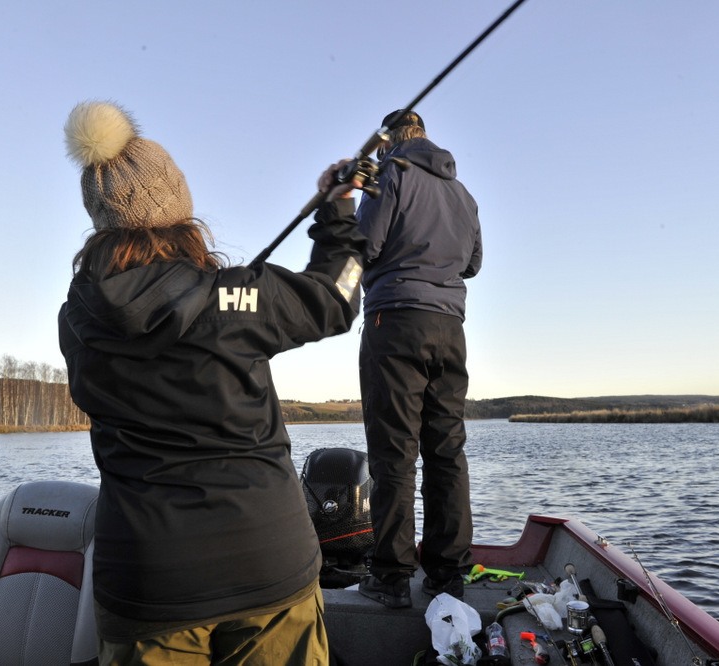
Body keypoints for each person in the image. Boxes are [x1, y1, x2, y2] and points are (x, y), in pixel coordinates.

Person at [58, 100, 365, 665]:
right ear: (178, 207)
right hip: (268, 562)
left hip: (146, 580)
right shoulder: (239, 295)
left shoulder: (75, 318)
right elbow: (340, 296)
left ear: (101, 219)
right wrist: (338, 213)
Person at [354, 110, 482, 609]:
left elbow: (365, 246)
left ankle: (390, 577)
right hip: (450, 329)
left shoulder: (390, 175)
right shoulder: (463, 193)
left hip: (395, 321)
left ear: (388, 143)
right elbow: (473, 263)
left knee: (394, 452)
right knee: (447, 451)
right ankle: (447, 575)